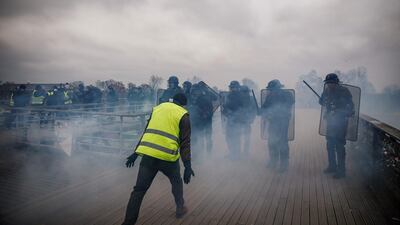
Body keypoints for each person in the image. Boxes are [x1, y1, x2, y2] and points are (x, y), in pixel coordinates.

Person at [122, 93, 194, 225]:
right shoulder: (183, 115)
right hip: (167, 158)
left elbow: (147, 131)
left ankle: (128, 223)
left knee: (138, 191)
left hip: (149, 156)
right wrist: (187, 165)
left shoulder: (157, 108)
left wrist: (136, 153)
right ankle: (180, 208)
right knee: (176, 182)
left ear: (173, 100)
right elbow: (185, 143)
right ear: (183, 104)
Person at [319, 73, 354, 178]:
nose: (329, 85)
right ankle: (332, 166)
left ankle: (341, 171)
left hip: (341, 123)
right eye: (328, 83)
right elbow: (321, 101)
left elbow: (351, 107)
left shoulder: (344, 91)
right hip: (330, 121)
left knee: (339, 146)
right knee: (330, 145)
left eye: (331, 83)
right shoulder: (327, 91)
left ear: (336, 82)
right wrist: (324, 102)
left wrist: (338, 109)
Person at [261, 80, 294, 172]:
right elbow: (265, 107)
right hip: (273, 121)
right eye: (270, 89)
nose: (271, 90)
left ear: (277, 88)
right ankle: (273, 161)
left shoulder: (287, 94)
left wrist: (276, 111)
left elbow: (288, 105)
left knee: (282, 142)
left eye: (272, 89)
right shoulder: (270, 96)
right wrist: (261, 111)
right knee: (271, 141)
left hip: (283, 121)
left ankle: (284, 164)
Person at [188, 83, 214, 161]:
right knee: (194, 139)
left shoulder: (205, 99)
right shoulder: (191, 99)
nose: (194, 93)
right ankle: (196, 156)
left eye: (196, 91)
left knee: (206, 139)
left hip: (205, 123)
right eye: (193, 91)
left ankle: (208, 155)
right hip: (195, 123)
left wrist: (204, 115)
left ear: (199, 91)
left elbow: (210, 111)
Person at [221, 81, 246, 160]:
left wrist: (230, 110)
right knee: (229, 138)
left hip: (237, 120)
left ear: (237, 87)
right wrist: (225, 109)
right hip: (231, 120)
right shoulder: (230, 95)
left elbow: (241, 108)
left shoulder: (240, 96)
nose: (232, 88)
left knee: (236, 138)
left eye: (233, 87)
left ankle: (236, 155)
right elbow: (227, 107)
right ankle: (232, 153)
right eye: (231, 87)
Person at [239, 85, 257, 156]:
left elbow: (254, 110)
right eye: (243, 92)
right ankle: (238, 152)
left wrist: (251, 119)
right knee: (238, 137)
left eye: (245, 92)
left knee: (247, 138)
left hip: (247, 122)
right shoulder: (238, 99)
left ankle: (245, 152)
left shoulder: (252, 99)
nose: (244, 93)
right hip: (239, 121)